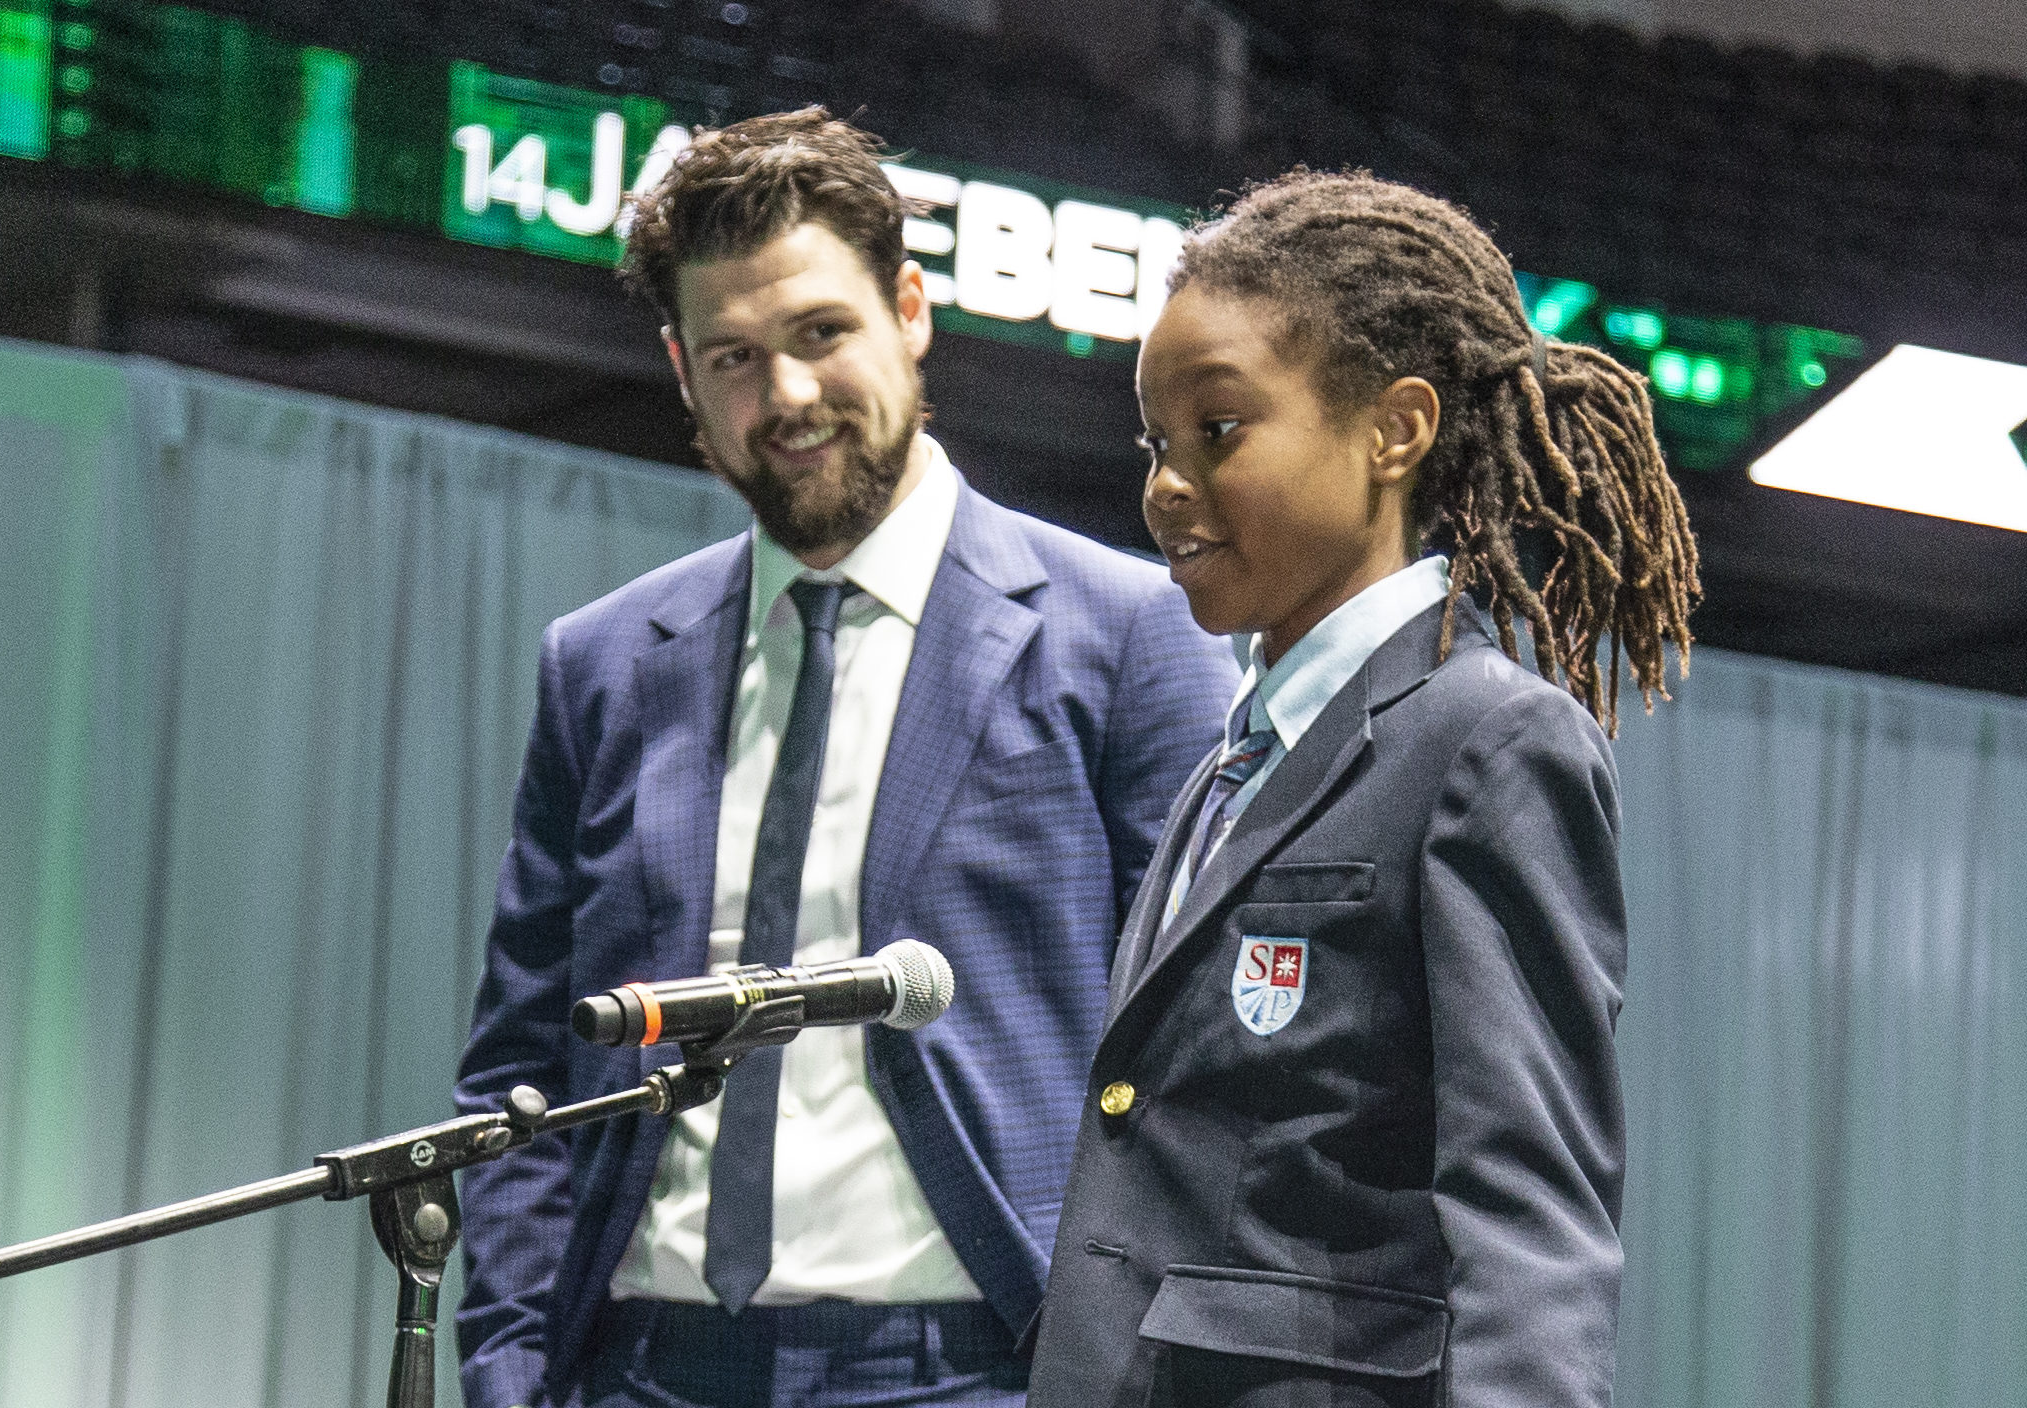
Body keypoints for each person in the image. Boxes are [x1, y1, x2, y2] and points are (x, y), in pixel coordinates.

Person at [452, 109, 1241, 1408]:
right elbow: (526, 1060)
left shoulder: (1131, 636)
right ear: (682, 372)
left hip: (974, 1366)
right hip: (635, 1368)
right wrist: (510, 1367)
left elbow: (1211, 1062)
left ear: (911, 310)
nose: (790, 395)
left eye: (822, 334)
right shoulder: (601, 666)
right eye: (736, 358)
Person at [1026, 170, 1701, 1408]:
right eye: (1155, 443)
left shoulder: (1489, 740)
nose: (1166, 485)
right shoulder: (1243, 753)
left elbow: (1528, 1210)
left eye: (1218, 429)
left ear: (1395, 429)